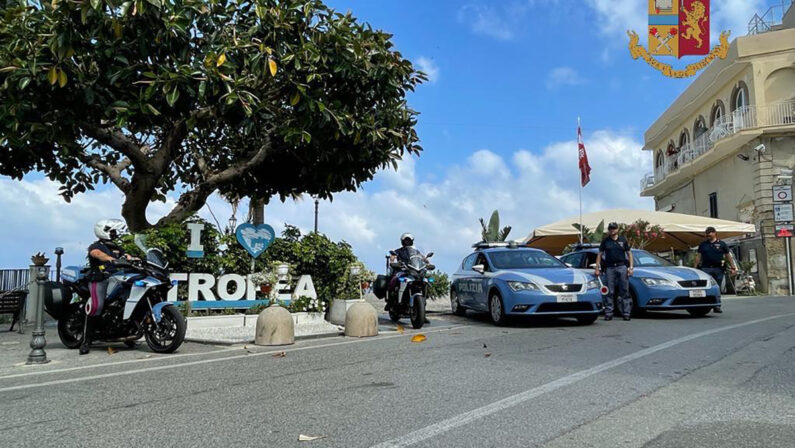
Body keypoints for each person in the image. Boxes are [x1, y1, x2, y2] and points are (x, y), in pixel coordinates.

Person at [81, 218, 131, 354]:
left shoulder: (116, 247)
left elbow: (127, 256)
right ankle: (86, 341)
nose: (115, 234)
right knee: (97, 307)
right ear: (104, 231)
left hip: (115, 279)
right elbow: (97, 255)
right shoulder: (96, 246)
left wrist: (139, 261)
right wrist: (110, 259)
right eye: (113, 232)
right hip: (99, 279)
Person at [594, 222, 634, 321]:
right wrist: (597, 268)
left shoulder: (623, 240)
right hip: (609, 268)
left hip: (622, 267)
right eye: (611, 229)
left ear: (617, 229)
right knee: (609, 291)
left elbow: (629, 254)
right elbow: (599, 255)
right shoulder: (605, 241)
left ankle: (626, 313)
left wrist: (631, 268)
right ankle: (608, 312)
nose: (612, 230)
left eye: (614, 228)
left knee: (624, 290)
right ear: (609, 230)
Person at [387, 233, 430, 323]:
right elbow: (393, 258)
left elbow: (422, 259)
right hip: (402, 271)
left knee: (425, 282)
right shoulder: (398, 251)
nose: (407, 241)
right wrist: (393, 261)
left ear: (412, 241)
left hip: (414, 271)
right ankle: (392, 302)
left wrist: (426, 262)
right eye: (406, 240)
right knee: (394, 280)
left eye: (409, 240)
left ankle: (422, 312)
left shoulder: (416, 251)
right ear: (402, 241)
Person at [694, 226, 737, 314]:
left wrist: (733, 268)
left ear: (714, 233)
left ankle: (717, 305)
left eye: (709, 234)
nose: (708, 236)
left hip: (718, 269)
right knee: (705, 287)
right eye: (706, 234)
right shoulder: (703, 244)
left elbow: (729, 256)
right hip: (705, 269)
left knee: (717, 288)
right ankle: (704, 305)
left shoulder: (722, 244)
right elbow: (698, 256)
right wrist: (695, 268)